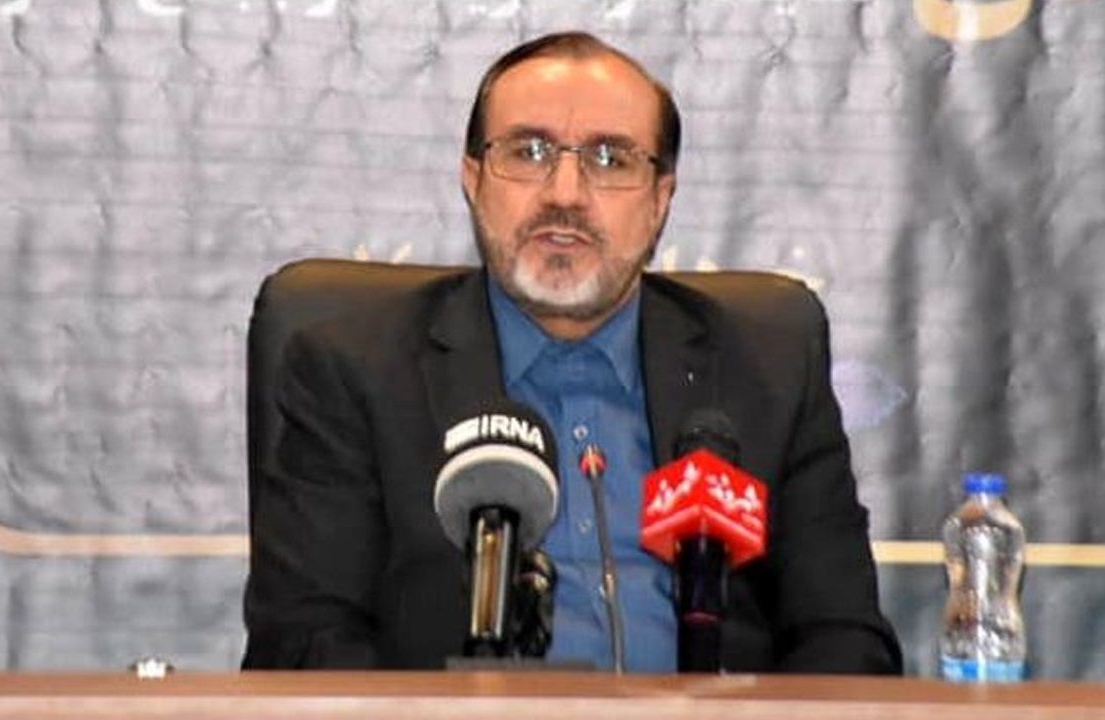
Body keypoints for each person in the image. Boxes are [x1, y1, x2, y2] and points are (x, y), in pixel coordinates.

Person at [241, 30, 902, 674]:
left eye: (610, 159)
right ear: (474, 179)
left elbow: (842, 639)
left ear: (660, 200)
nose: (564, 193)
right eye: (528, 152)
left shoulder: (769, 367)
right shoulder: (353, 367)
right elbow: (305, 645)